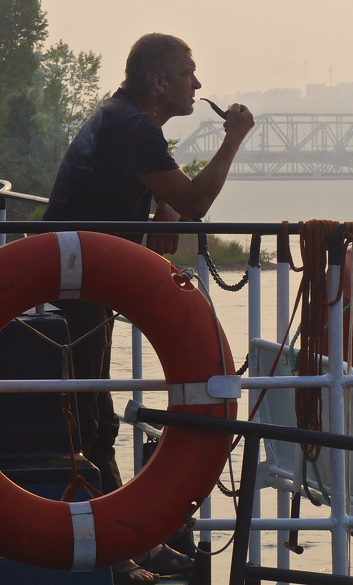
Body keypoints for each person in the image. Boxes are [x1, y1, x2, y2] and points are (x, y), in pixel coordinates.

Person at [44, 33, 253, 584]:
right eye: (188, 72)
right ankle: (119, 552)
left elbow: (160, 193)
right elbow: (197, 201)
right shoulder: (133, 127)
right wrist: (233, 139)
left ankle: (131, 543)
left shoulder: (125, 120)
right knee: (88, 419)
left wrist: (161, 207)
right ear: (159, 82)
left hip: (85, 283)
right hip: (75, 288)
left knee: (97, 416)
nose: (197, 83)